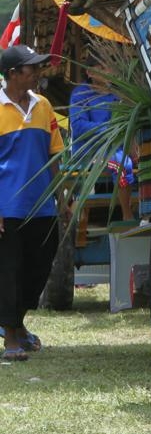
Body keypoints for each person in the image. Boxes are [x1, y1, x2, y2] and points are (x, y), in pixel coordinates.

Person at [0, 44, 66, 361]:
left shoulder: (44, 106)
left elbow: (54, 156)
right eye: (31, 68)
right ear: (12, 74)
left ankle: (17, 324)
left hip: (43, 206)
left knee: (38, 269)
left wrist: (62, 198)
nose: (37, 72)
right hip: (8, 209)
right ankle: (11, 337)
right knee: (9, 271)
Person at [69, 59, 137, 221]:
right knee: (122, 165)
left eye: (110, 66)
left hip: (115, 148)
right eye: (102, 67)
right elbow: (78, 125)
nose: (108, 70)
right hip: (90, 152)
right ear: (90, 73)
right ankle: (127, 215)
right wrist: (108, 129)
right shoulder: (80, 94)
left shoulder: (118, 94)